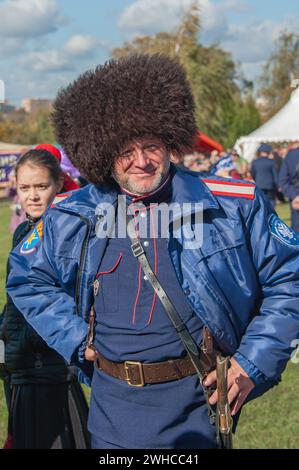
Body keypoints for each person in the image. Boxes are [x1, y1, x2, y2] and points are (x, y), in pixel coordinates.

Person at [6, 54, 299, 449]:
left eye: (151, 146)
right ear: (103, 150)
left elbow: (290, 279)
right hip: (110, 417)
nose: (141, 161)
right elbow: (27, 276)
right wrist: (75, 338)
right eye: (126, 151)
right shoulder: (73, 213)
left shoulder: (235, 204)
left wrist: (253, 362)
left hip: (197, 414)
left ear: (171, 140)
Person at [0, 148, 90, 449]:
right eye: (25, 188)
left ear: (59, 185)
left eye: (41, 186)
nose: (33, 196)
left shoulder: (64, 233)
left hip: (49, 368)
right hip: (21, 363)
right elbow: (16, 301)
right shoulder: (24, 231)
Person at [278, 142, 299, 233]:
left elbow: (282, 180)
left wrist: (294, 196)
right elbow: (283, 180)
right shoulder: (291, 156)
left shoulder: (290, 156)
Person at [250, 143, 278, 208]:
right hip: (270, 185)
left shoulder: (255, 162)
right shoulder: (271, 162)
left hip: (259, 184)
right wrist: (277, 185)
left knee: (261, 201)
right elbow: (275, 175)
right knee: (271, 201)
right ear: (268, 152)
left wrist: (256, 180)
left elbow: (252, 173)